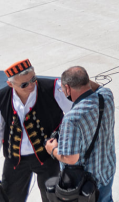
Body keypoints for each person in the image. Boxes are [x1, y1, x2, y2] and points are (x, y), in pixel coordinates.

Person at [1, 59, 72, 202]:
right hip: (16, 158)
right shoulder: (2, 98)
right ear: (10, 84)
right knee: (9, 197)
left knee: (52, 197)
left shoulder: (53, 88)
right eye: (24, 84)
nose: (31, 85)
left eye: (33, 79)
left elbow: (74, 114)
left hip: (46, 155)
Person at [45, 66, 116, 202]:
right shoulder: (106, 96)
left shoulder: (72, 119)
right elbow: (96, 87)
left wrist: (52, 149)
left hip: (87, 184)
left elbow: (71, 158)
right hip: (107, 170)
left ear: (68, 88)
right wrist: (81, 78)